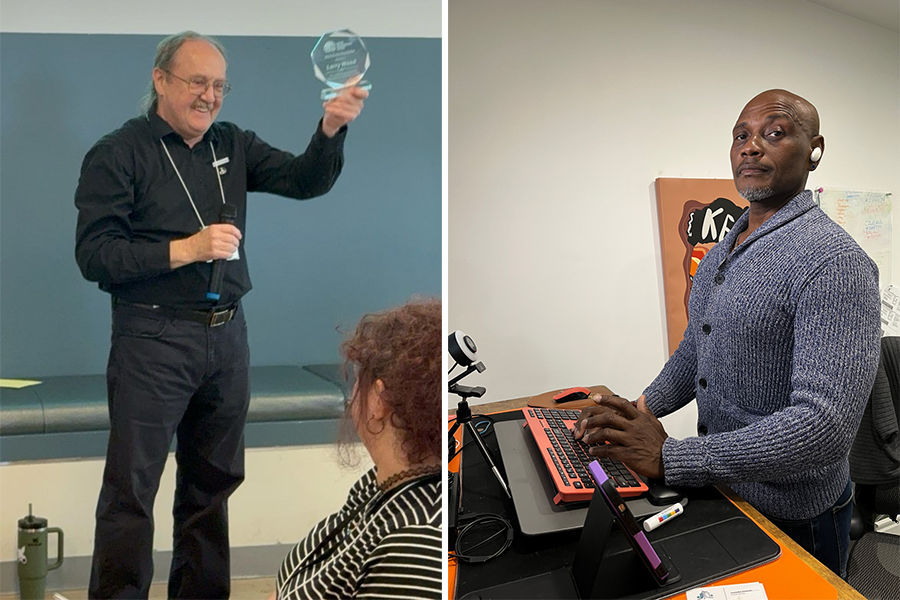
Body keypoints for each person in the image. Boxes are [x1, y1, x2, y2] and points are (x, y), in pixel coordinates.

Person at [74, 31, 367, 599]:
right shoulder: (118, 153)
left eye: (219, 85)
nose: (209, 96)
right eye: (197, 82)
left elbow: (305, 180)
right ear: (161, 81)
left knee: (212, 488)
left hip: (227, 337)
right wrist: (185, 249)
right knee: (131, 493)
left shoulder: (230, 143)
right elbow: (94, 255)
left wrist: (331, 128)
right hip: (152, 336)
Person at [574, 89, 881, 578]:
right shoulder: (724, 248)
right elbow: (698, 347)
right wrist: (636, 413)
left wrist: (671, 457)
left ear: (814, 149)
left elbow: (824, 427)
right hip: (728, 486)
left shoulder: (835, 263)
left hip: (797, 513)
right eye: (741, 135)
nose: (751, 146)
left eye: (774, 133)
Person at [273, 298, 442, 600]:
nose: (353, 395)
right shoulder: (381, 484)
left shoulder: (415, 544)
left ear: (379, 401)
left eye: (358, 380)